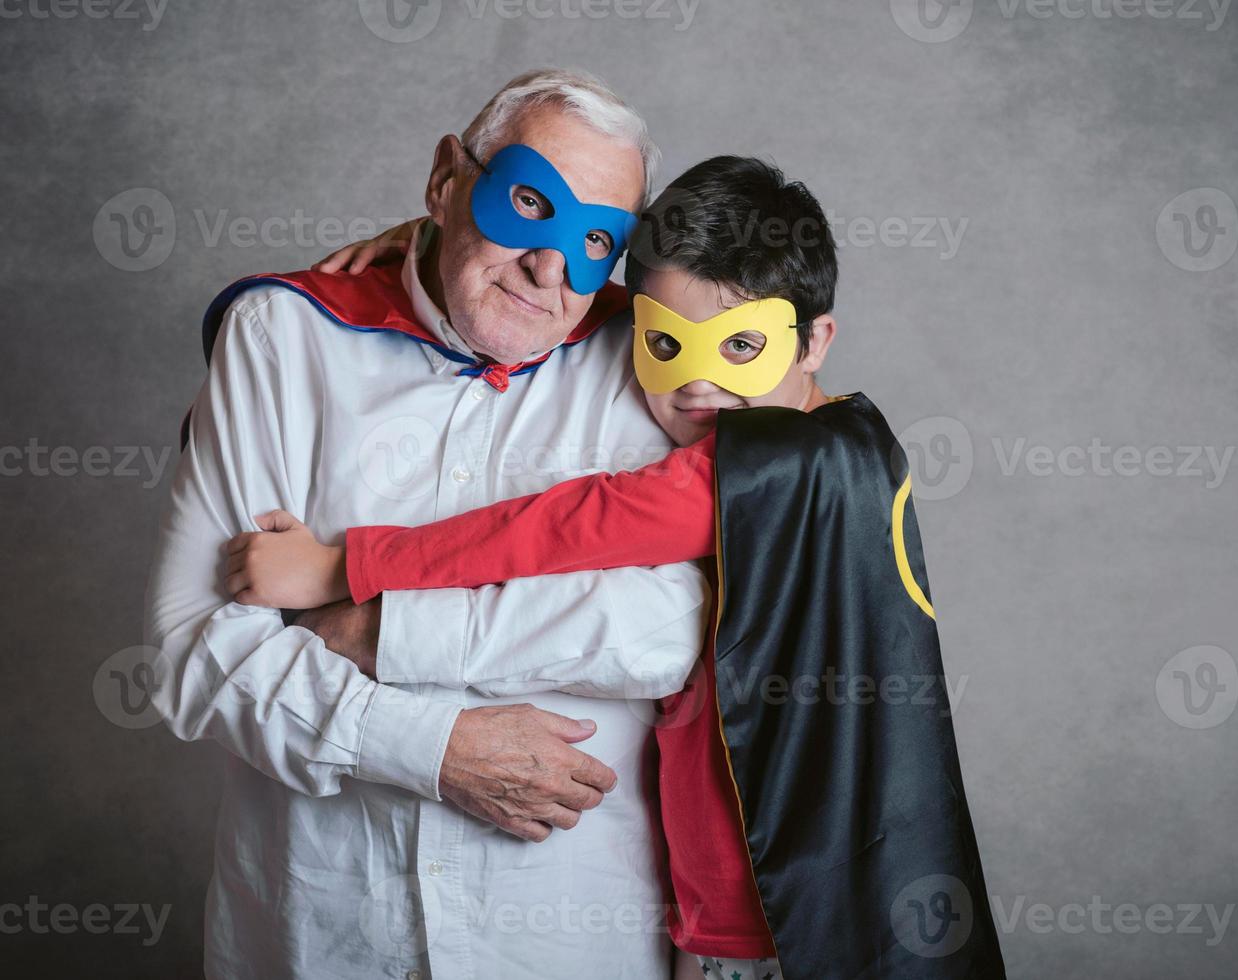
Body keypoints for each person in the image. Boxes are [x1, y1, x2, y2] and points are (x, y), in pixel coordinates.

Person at [224, 156, 1009, 979]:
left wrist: (342, 567)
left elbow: (557, 528)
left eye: (741, 346)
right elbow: (607, 293)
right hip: (757, 900)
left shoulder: (748, 469)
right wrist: (435, 250)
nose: (700, 379)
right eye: (666, 346)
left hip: (778, 912)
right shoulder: (847, 439)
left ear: (816, 340)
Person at [143, 68, 712, 979]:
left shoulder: (657, 367)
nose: (550, 267)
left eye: (598, 238)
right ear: (447, 179)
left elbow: (696, 624)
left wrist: (385, 633)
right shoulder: (284, 340)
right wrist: (431, 749)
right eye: (529, 202)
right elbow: (195, 653)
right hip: (321, 930)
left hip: (571, 936)